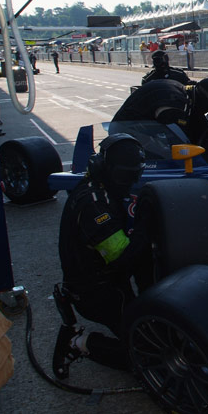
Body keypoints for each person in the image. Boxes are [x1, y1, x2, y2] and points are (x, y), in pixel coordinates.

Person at [52, 133, 149, 379]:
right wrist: (146, 225)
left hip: (110, 282)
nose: (131, 182)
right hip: (96, 292)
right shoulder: (94, 205)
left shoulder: (103, 190)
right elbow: (123, 259)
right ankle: (79, 342)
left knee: (152, 331)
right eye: (128, 176)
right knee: (145, 355)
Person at [111, 78, 208, 144]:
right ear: (204, 99)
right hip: (125, 133)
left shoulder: (181, 91)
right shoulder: (174, 98)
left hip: (132, 130)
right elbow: (173, 130)